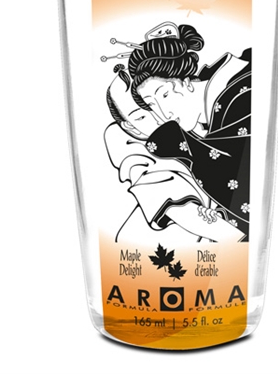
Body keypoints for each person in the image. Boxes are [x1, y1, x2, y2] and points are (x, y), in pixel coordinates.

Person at [127, 24, 251, 239]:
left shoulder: (242, 94)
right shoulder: (206, 119)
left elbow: (242, 183)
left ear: (187, 82)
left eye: (164, 95)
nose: (163, 113)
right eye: (152, 104)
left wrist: (175, 143)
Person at [105, 65, 245, 243]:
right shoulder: (136, 152)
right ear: (130, 127)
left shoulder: (199, 121)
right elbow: (172, 203)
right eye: (141, 116)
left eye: (161, 99)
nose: (160, 116)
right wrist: (238, 238)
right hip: (157, 248)